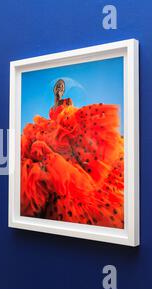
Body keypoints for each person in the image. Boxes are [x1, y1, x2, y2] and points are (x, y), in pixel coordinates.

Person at [20, 78, 124, 228]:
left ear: (64, 89)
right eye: (58, 86)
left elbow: (71, 114)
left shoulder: (67, 101)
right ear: (55, 89)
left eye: (62, 86)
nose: (60, 88)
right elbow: (53, 116)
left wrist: (65, 115)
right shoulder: (53, 106)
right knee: (38, 146)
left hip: (65, 131)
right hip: (53, 131)